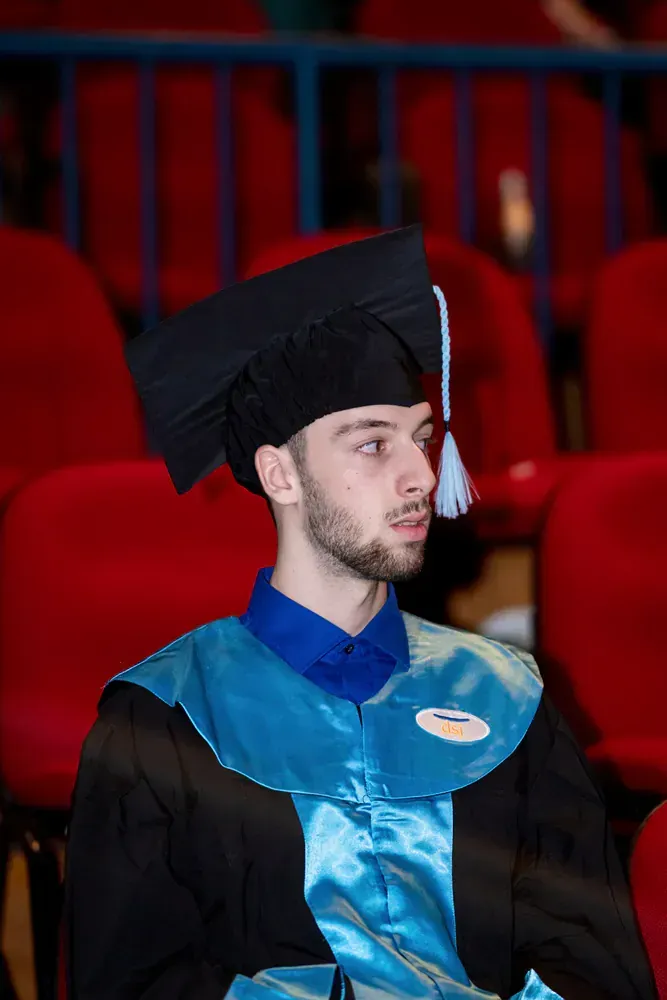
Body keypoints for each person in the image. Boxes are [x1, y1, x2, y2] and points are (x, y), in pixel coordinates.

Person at [64, 227, 656, 1000]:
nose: (419, 474)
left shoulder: (506, 700)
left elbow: (593, 967)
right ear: (280, 472)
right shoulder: (163, 723)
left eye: (421, 436)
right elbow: (131, 982)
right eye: (372, 445)